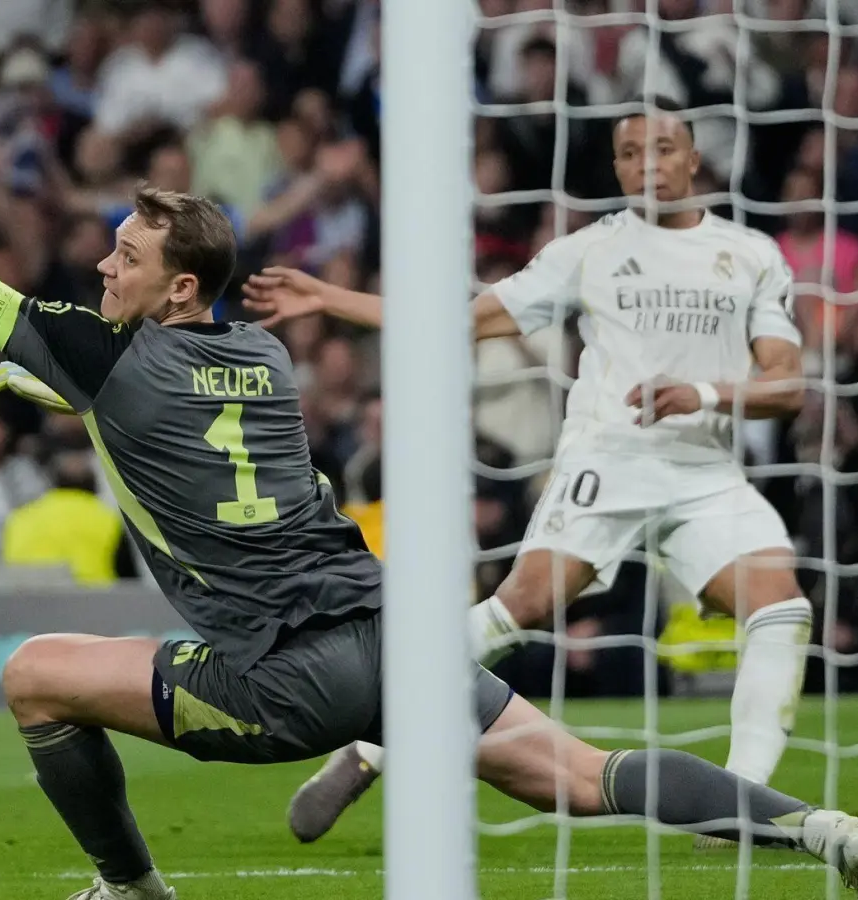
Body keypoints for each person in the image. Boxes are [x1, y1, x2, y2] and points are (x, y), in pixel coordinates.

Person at [0, 81, 858, 900]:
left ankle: (132, 888)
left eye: (123, 257)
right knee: (581, 777)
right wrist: (77, 399)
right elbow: (216, 446)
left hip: (278, 674)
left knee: (32, 674)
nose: (99, 265)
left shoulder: (105, 352)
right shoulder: (266, 357)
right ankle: (820, 827)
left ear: (179, 291)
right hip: (392, 634)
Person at [243, 99, 818, 850]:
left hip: (705, 469)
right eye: (632, 152)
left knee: (781, 609)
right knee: (524, 605)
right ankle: (369, 744)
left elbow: (788, 385)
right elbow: (464, 317)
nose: (648, 164)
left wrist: (704, 393)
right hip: (609, 459)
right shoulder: (592, 250)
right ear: (616, 167)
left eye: (664, 148)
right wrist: (330, 297)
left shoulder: (751, 255)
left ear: (692, 159)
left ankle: (740, 814)